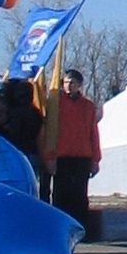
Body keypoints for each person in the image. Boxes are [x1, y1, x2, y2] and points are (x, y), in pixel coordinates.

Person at [48, 69, 103, 238]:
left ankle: (81, 230)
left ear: (79, 85)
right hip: (62, 156)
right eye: (65, 82)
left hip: (82, 156)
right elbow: (49, 132)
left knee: (79, 195)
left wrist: (95, 158)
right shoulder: (56, 104)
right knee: (60, 195)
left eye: (72, 82)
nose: (68, 86)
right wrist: (49, 157)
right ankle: (60, 230)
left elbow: (92, 133)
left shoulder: (87, 106)